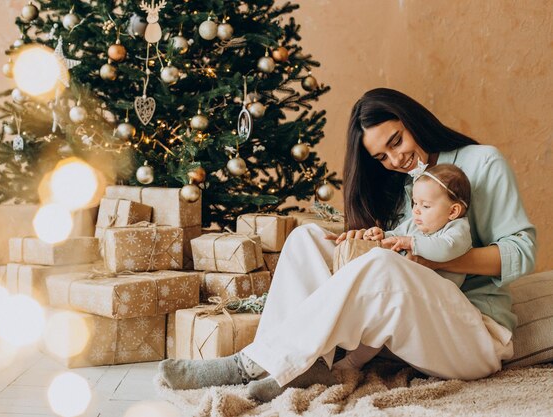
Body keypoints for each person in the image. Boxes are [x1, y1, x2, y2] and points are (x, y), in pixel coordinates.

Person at [159, 88, 536, 402]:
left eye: (396, 141)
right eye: (382, 157)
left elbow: (521, 253)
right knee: (306, 239)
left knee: (384, 267)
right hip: (417, 331)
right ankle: (304, 367)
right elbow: (398, 260)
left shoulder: (483, 163)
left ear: (413, 120)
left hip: (473, 336)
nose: (396, 158)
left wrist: (417, 256)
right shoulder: (404, 183)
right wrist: (369, 242)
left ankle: (246, 364)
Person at [364, 162, 473, 288]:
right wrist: (382, 235)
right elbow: (397, 235)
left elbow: (447, 249)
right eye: (415, 203)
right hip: (412, 284)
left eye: (425, 205)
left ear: (453, 211)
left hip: (439, 292)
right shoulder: (416, 223)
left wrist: (411, 242)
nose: (415, 211)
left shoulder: (458, 229)